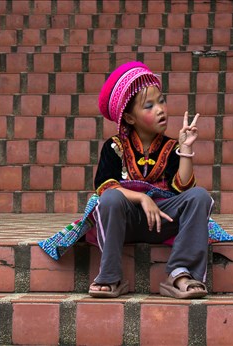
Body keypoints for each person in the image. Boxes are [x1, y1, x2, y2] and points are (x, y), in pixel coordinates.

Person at [88, 61, 212, 299]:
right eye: (149, 105)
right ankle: (110, 276)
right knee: (111, 198)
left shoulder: (170, 146)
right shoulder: (115, 147)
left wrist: (185, 149)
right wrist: (142, 198)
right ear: (130, 118)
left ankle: (180, 273)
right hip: (125, 223)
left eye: (161, 101)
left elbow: (181, 187)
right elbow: (104, 187)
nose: (160, 109)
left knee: (199, 196)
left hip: (163, 220)